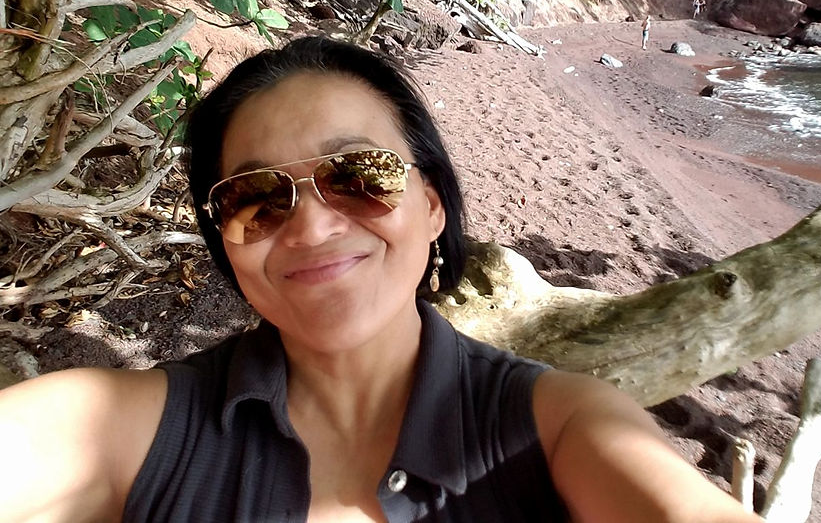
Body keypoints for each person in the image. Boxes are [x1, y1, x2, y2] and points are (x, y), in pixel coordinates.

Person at [0, 36, 761, 522]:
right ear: (224, 239)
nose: (311, 226)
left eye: (359, 175)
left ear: (431, 205)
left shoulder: (558, 426)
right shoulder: (128, 428)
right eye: (256, 198)